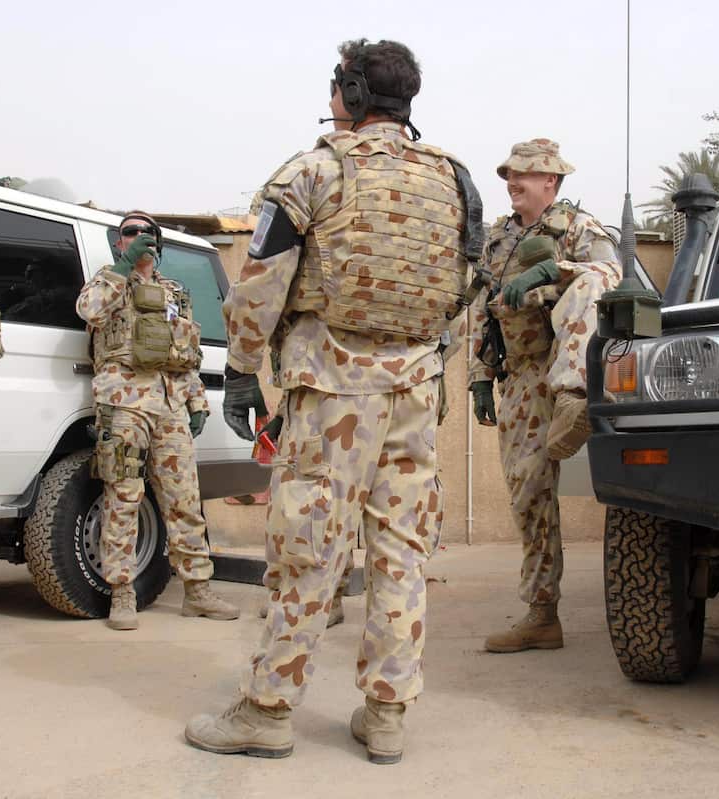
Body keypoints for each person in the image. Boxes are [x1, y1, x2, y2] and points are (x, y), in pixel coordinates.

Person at [185, 38, 480, 764]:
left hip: (333, 392)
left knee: (308, 549)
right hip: (413, 392)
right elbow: (467, 284)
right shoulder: (455, 180)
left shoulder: (314, 170)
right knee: (401, 552)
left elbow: (258, 282)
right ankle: (386, 714)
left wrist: (245, 372)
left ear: (349, 90)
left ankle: (267, 709)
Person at [466, 139, 622, 654]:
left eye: (525, 175)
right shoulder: (499, 239)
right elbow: (483, 309)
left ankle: (574, 398)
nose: (513, 182)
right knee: (527, 492)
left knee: (589, 282)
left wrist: (554, 269)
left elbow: (609, 274)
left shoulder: (577, 226)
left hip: (561, 363)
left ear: (551, 181)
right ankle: (542, 614)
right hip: (519, 375)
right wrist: (481, 375)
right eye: (510, 174)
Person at [76, 212, 238, 629]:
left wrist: (196, 401)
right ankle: (122, 592)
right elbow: (89, 311)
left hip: (169, 406)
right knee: (124, 496)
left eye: (148, 232)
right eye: (131, 232)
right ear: (119, 242)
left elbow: (186, 354)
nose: (140, 237)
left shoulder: (173, 293)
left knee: (184, 497)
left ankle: (197, 590)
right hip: (125, 403)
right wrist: (124, 270)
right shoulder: (107, 282)